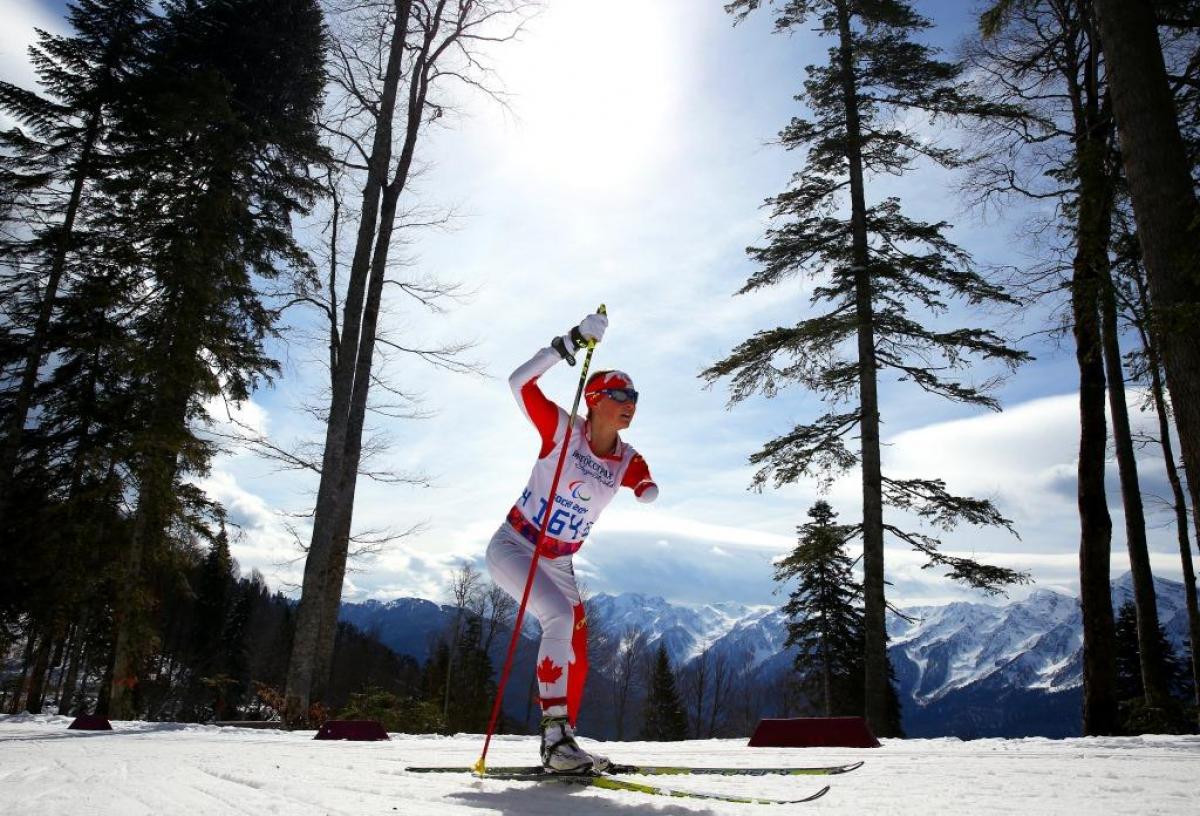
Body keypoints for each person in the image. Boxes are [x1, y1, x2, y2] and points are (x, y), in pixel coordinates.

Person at [485, 312, 658, 773]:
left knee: (577, 643)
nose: (630, 403)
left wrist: (645, 486)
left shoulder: (625, 458)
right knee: (557, 616)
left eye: (635, 396)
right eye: (620, 394)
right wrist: (570, 344)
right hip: (516, 546)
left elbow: (640, 476)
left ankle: (564, 741)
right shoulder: (562, 431)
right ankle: (554, 739)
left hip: (559, 561)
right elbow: (519, 383)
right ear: (596, 399)